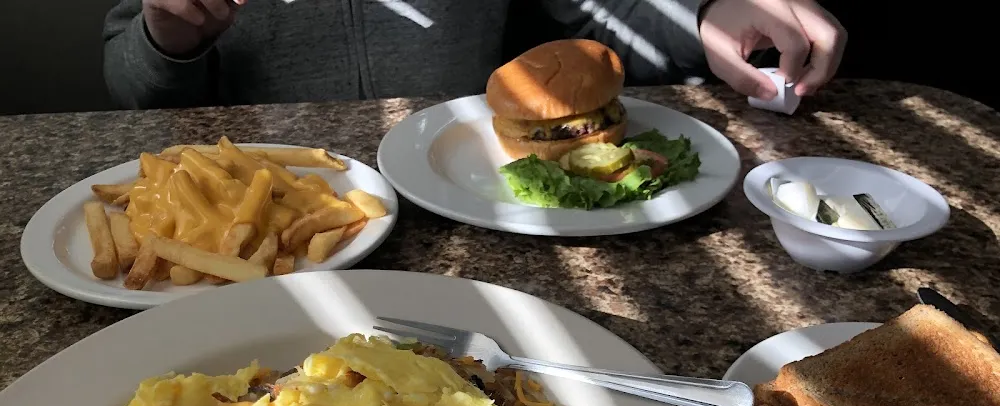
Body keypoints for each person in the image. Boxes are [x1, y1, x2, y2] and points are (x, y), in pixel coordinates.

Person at [103, 0, 846, 110]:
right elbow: (129, 88)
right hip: (273, 205)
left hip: (460, 185)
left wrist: (710, 16)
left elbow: (599, 11)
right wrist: (169, 33)